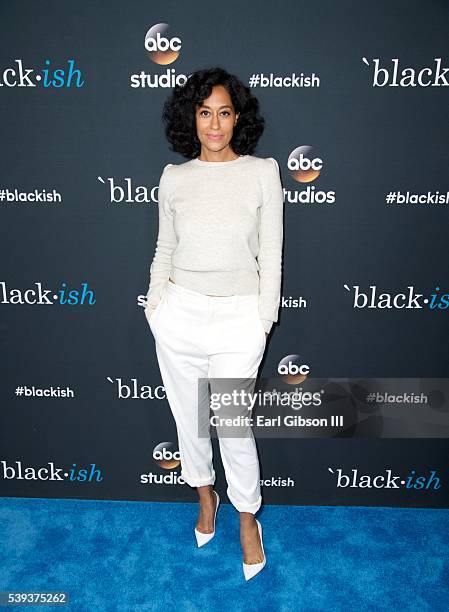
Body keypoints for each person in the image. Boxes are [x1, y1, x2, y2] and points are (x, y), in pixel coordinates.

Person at [144, 66, 283, 580]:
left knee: (231, 424)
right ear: (191, 118)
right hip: (178, 314)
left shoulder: (262, 171)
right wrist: (156, 306)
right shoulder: (174, 178)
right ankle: (205, 498)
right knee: (188, 419)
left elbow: (272, 254)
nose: (215, 124)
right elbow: (165, 248)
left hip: (238, 318)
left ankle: (248, 518)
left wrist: (261, 321)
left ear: (237, 117)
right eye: (205, 113)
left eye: (224, 112)